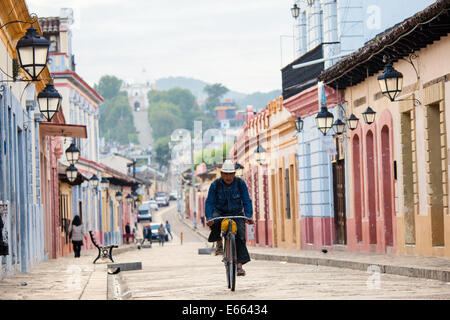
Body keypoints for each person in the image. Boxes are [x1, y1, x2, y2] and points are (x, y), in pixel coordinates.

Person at [205, 159, 254, 276]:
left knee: (240, 236)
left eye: (230, 174)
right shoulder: (215, 185)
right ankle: (219, 243)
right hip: (220, 213)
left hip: (236, 213)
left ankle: (239, 266)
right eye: (225, 174)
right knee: (215, 222)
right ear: (221, 174)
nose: (228, 177)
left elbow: (246, 200)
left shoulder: (240, 183)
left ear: (234, 174)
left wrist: (248, 216)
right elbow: (209, 203)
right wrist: (209, 217)